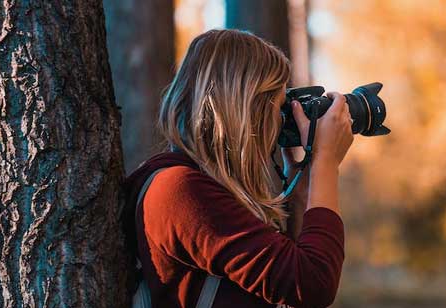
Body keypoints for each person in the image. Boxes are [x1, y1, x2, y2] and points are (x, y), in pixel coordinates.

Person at [122, 29, 351, 307]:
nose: (279, 123)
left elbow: (288, 268)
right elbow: (312, 284)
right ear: (248, 110)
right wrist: (327, 162)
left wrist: (300, 175)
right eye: (276, 109)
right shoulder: (179, 190)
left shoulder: (199, 185)